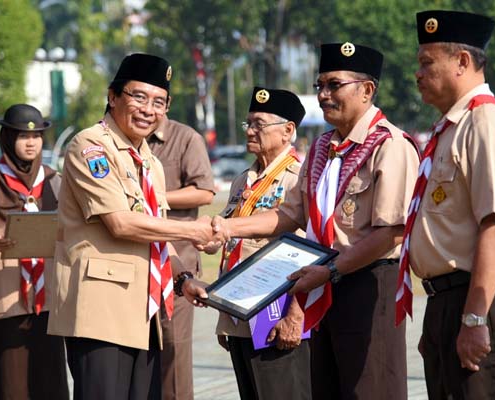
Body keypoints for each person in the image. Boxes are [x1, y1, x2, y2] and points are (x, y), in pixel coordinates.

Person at [211, 43, 419, 399]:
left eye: (334, 85)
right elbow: (290, 214)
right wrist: (226, 227)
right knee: (325, 388)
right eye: (320, 85)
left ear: (366, 90)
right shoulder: (323, 148)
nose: (323, 95)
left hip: (366, 283)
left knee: (369, 389)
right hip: (322, 283)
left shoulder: (390, 145)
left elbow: (392, 232)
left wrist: (333, 271)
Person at [46, 53, 220, 400]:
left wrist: (183, 280)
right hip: (101, 310)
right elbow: (121, 223)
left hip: (144, 312)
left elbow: (154, 231)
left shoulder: (149, 161)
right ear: (113, 97)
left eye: (159, 102)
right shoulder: (90, 147)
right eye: (138, 97)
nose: (148, 110)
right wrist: (193, 231)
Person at [395, 10, 495, 399]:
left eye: (426, 63)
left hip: (481, 298)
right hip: (449, 299)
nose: (417, 74)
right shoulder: (452, 127)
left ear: (462, 62)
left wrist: (473, 317)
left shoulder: (485, 123)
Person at [0, 104, 69, 400]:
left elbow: (68, 226)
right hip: (8, 293)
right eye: (23, 135)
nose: (31, 142)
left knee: (50, 376)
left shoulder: (53, 180)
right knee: (11, 380)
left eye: (36, 136)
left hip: (48, 296)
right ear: (8, 138)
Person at [214, 86, 310, 399]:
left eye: (259, 124)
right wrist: (224, 317)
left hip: (276, 315)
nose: (251, 131)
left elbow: (311, 250)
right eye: (249, 124)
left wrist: (296, 314)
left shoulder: (299, 178)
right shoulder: (244, 180)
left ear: (288, 131)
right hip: (240, 314)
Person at [147, 103, 215, 400]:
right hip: (134, 261)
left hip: (176, 268)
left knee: (173, 356)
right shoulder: (121, 142)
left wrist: (155, 198)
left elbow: (204, 191)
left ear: (166, 103)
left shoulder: (185, 138)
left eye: (155, 100)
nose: (146, 108)